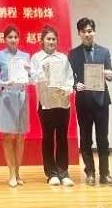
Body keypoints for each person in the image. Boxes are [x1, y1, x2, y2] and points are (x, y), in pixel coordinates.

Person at [68, 18, 112, 186]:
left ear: (94, 32)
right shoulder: (73, 54)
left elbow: (111, 74)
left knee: (103, 138)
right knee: (86, 139)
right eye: (84, 31)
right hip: (83, 101)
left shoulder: (104, 52)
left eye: (90, 31)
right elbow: (69, 77)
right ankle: (89, 172)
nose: (87, 34)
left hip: (101, 101)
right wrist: (75, 85)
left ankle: (105, 174)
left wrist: (109, 74)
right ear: (79, 33)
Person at [31, 25, 75, 187]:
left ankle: (63, 172)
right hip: (46, 104)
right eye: (48, 39)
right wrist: (42, 71)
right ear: (42, 41)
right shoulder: (36, 58)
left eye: (53, 39)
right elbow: (32, 78)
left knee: (62, 137)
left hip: (62, 103)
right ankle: (51, 173)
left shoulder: (63, 58)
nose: (51, 42)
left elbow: (70, 78)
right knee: (48, 138)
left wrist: (67, 89)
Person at [0, 25, 33, 187]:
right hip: (5, 97)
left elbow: (31, 78)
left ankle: (18, 173)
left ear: (19, 39)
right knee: (7, 136)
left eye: (15, 37)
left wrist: (30, 71)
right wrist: (4, 83)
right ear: (5, 39)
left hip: (21, 97)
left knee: (20, 136)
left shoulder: (25, 56)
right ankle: (11, 173)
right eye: (10, 37)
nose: (13, 40)